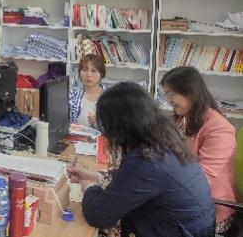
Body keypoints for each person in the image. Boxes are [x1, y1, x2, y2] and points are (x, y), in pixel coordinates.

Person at [68, 82, 215, 237]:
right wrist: (95, 176)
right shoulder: (163, 141)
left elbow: (99, 216)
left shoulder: (147, 162)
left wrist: (88, 186)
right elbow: (134, 180)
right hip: (190, 227)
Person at [161, 66, 236, 235]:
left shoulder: (219, 128)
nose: (169, 100)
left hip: (211, 209)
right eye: (166, 94)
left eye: (171, 94)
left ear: (190, 92)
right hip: (182, 197)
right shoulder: (182, 118)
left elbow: (201, 181)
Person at [69, 54, 106, 128]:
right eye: (84, 70)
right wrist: (68, 127)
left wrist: (98, 122)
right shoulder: (71, 95)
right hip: (75, 135)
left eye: (93, 71)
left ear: (101, 74)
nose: (88, 75)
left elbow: (115, 129)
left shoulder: (111, 98)